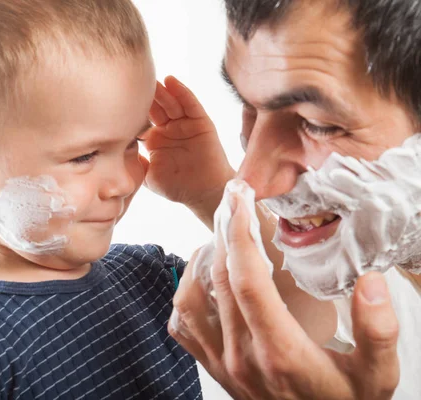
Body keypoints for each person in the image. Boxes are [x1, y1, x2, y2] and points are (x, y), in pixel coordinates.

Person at [0, 0, 237, 398]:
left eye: (132, 143)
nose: (125, 180)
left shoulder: (149, 279)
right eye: (84, 156)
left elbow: (300, 307)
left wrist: (216, 194)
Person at [169, 0, 421, 399]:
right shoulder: (359, 259)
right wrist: (209, 191)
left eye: (318, 125)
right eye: (248, 107)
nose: (249, 179)